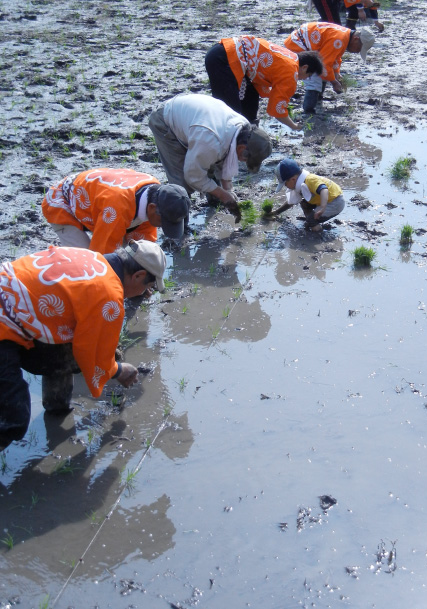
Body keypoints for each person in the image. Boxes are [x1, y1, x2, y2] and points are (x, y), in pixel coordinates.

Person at [0, 240, 167, 451]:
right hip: (4, 325)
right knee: (13, 418)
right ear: (138, 276)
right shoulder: (109, 296)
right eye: (148, 287)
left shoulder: (91, 258)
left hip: (9, 299)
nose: (144, 293)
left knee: (63, 349)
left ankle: (57, 407)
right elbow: (88, 352)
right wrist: (117, 371)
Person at [148, 94, 272, 214]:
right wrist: (223, 195)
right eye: (246, 159)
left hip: (197, 123)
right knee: (181, 184)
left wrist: (228, 189)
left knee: (211, 170)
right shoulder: (211, 141)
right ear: (242, 147)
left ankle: (214, 202)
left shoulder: (244, 128)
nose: (243, 161)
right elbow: (193, 176)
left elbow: (227, 157)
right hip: (165, 120)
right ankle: (179, 222)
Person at [42, 168, 191, 252]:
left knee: (132, 252)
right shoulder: (116, 210)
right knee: (86, 262)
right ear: (152, 208)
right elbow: (101, 258)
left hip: (98, 200)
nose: (161, 227)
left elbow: (143, 248)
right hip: (62, 202)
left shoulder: (156, 192)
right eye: (163, 222)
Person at [205, 35, 323, 131]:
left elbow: (261, 83)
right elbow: (277, 111)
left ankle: (248, 134)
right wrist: (294, 126)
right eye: (308, 76)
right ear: (304, 67)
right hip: (225, 60)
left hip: (221, 51)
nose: (303, 79)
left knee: (250, 103)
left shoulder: (290, 57)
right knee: (230, 115)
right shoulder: (291, 72)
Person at [284, 22, 376, 113]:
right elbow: (324, 64)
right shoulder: (339, 40)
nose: (357, 51)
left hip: (299, 43)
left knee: (324, 72)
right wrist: (334, 82)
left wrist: (336, 73)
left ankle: (318, 99)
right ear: (356, 39)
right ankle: (308, 112)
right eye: (359, 48)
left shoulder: (344, 36)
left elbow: (334, 58)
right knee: (314, 79)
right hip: (296, 46)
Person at [270, 157, 345, 233]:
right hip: (326, 200)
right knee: (304, 203)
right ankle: (311, 220)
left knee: (311, 220)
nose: (286, 186)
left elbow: (324, 189)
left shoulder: (310, 180)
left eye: (285, 184)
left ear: (293, 179)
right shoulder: (299, 183)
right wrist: (276, 212)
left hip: (335, 202)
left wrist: (323, 207)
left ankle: (317, 232)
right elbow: (291, 202)